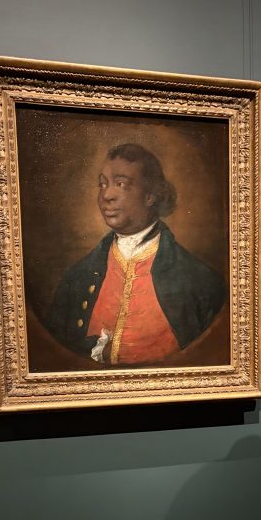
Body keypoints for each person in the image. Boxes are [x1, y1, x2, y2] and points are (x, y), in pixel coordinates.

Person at [45, 143, 226, 365]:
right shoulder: (77, 278)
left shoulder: (201, 281)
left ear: (150, 195)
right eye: (102, 184)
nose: (107, 195)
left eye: (120, 184)